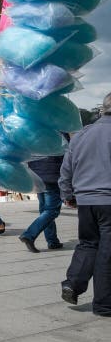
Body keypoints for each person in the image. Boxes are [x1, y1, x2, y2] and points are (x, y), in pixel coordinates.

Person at [59, 93, 111, 316]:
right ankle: (104, 304)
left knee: (88, 243)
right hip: (108, 200)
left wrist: (68, 194)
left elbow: (66, 169)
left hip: (86, 200)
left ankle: (73, 283)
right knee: (107, 252)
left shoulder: (82, 134)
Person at [20, 153, 66, 253]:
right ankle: (29, 235)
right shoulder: (59, 137)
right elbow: (66, 155)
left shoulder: (33, 137)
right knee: (51, 211)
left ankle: (52, 241)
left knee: (44, 210)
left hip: (37, 176)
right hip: (52, 176)